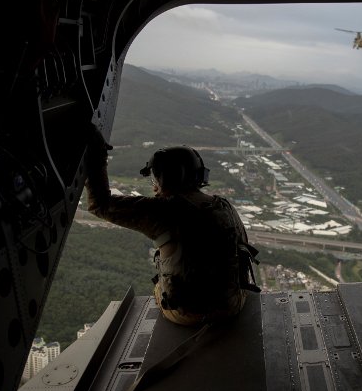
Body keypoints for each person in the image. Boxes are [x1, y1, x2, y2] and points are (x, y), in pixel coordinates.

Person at [84, 125, 260, 326]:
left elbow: (100, 205)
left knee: (159, 286)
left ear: (164, 178)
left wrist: (97, 152)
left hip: (191, 314)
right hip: (233, 304)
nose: (154, 185)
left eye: (155, 178)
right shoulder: (223, 205)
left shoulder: (166, 211)